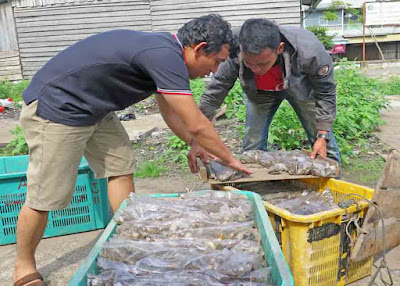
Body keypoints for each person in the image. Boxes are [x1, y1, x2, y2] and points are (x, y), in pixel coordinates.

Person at [14, 14, 251, 286]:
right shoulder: (164, 55)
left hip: (96, 108)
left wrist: (194, 144)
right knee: (47, 195)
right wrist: (230, 160)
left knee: (121, 166)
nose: (213, 71)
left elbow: (172, 111)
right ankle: (23, 267)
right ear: (199, 48)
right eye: (216, 62)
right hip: (58, 107)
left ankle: (130, 236)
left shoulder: (167, 53)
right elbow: (197, 123)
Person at [193, 18, 341, 166]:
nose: (256, 69)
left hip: (300, 88)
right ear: (241, 50)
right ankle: (256, 186)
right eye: (249, 63)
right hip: (260, 93)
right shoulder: (232, 48)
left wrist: (322, 134)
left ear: (280, 48)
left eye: (262, 63)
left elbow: (325, 91)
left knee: (323, 144)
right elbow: (217, 88)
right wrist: (200, 131)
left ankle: (333, 179)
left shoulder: (309, 51)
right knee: (252, 145)